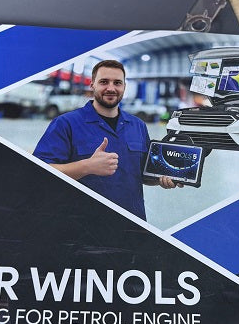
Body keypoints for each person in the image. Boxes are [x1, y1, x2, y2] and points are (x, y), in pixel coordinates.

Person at [33, 59, 180, 220]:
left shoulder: (138, 125)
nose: (111, 88)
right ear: (92, 85)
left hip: (132, 222)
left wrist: (161, 179)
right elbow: (39, 173)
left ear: (124, 87)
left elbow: (142, 174)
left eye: (117, 83)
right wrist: (87, 166)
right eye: (104, 82)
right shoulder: (66, 123)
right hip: (83, 224)